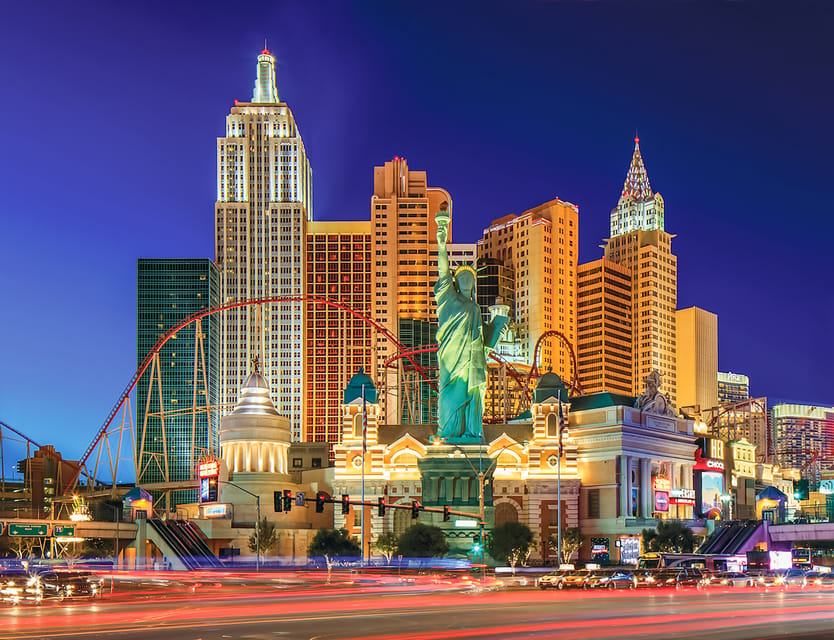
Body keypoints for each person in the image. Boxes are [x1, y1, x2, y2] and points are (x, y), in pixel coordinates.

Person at [434, 203, 508, 441]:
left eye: (469, 279)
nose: (466, 281)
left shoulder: (475, 307)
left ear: (474, 285)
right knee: (448, 401)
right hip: (451, 361)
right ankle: (448, 434)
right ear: (456, 282)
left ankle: (471, 432)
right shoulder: (449, 299)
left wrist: (497, 327)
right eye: (462, 278)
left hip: (473, 361)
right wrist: (442, 243)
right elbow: (443, 272)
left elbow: (485, 341)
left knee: (474, 394)